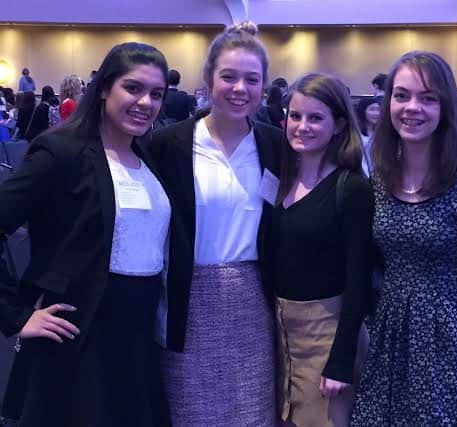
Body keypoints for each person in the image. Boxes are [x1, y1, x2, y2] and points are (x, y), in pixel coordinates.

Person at [0, 42, 185, 427]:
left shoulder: (147, 156)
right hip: (80, 336)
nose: (145, 102)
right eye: (132, 88)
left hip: (138, 334)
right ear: (103, 88)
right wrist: (14, 316)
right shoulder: (61, 152)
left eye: (156, 94)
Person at [350, 51, 457, 427]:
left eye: (427, 98)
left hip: (450, 347)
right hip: (389, 342)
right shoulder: (381, 182)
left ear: (446, 108)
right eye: (401, 95)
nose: (412, 107)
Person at [148, 21, 285, 427]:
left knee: (254, 412)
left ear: (263, 87)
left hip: (253, 300)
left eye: (251, 79)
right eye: (229, 76)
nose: (240, 88)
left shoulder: (274, 145)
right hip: (188, 299)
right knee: (191, 412)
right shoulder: (170, 143)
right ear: (208, 79)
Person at [267, 72, 372, 427]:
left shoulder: (351, 187)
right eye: (295, 116)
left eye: (316, 118)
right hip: (281, 331)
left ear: (339, 124)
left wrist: (341, 360)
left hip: (327, 332)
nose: (302, 126)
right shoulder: (281, 177)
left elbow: (359, 280)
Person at [355, 96, 380, 175]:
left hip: (378, 174)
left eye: (378, 110)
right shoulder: (356, 132)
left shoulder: (381, 132)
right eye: (372, 109)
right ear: (363, 111)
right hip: (360, 173)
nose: (376, 113)